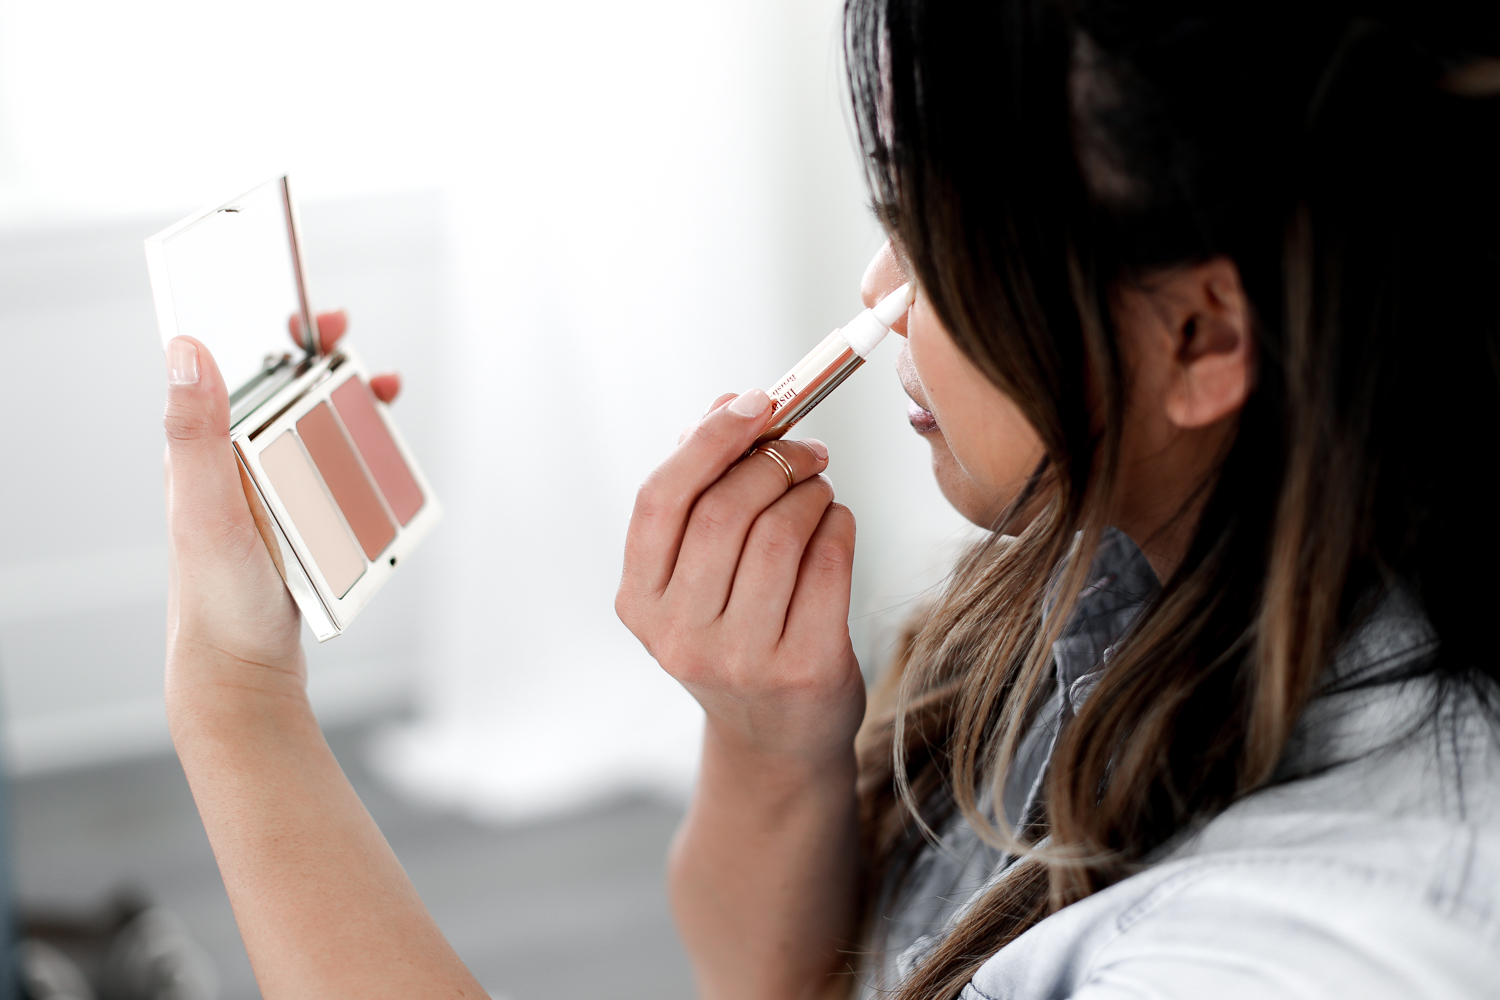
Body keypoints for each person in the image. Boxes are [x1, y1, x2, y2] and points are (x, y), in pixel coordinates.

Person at [159, 1, 1500, 998]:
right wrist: (770, 734)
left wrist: (236, 701)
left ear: (1204, 336)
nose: (878, 297)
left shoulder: (1286, 954)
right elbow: (771, 979)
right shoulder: (1117, 564)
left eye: (936, 233)